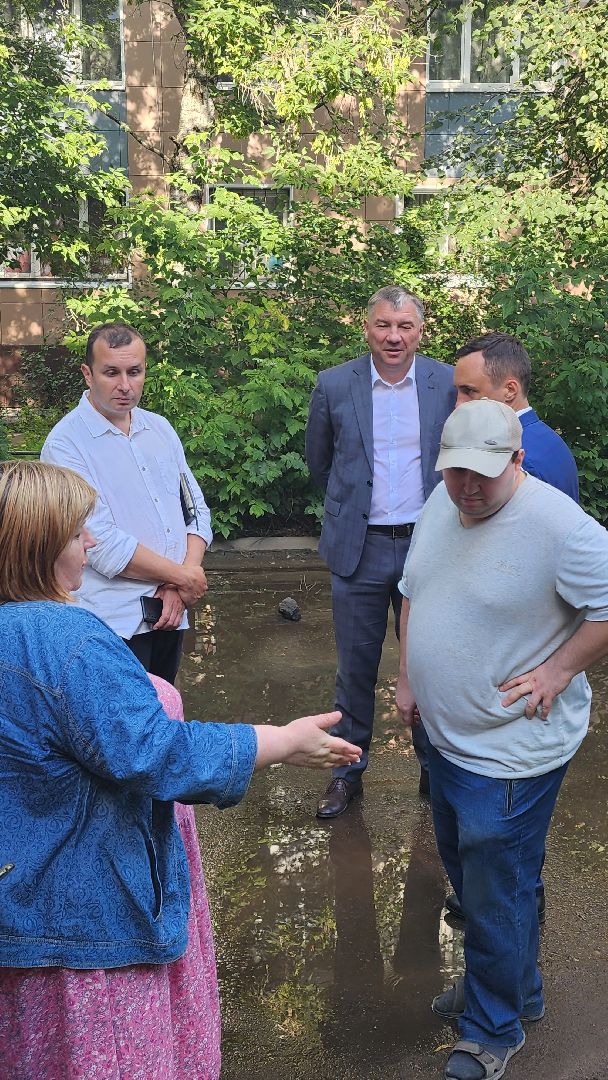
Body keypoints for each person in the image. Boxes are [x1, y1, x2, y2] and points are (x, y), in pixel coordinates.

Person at [0, 461, 361, 1080]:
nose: (90, 543)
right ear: (38, 544)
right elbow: (157, 753)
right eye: (77, 532)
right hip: (91, 931)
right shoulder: (65, 639)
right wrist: (277, 741)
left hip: (24, 909)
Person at [395, 399, 608, 1080]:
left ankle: (493, 1026)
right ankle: (514, 984)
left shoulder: (559, 526)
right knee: (478, 875)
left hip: (510, 750)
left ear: (517, 459)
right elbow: (413, 591)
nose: (468, 488)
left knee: (494, 888)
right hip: (445, 736)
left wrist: (559, 668)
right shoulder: (442, 497)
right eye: (456, 473)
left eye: (484, 474)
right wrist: (408, 678)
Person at [306, 285, 456, 818]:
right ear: (366, 327)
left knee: (430, 663)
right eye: (384, 326)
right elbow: (319, 462)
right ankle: (348, 771)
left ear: (421, 330)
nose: (394, 337)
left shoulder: (446, 383)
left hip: (430, 544)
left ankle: (435, 770)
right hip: (360, 547)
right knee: (355, 667)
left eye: (405, 326)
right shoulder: (334, 385)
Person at [41, 321, 212, 685]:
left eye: (134, 372)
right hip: (112, 624)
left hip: (170, 611)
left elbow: (195, 512)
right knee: (117, 735)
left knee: (166, 721)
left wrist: (179, 585)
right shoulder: (65, 446)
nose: (124, 385)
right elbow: (98, 543)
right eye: (111, 372)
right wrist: (183, 577)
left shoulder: (160, 429)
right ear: (87, 374)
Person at [453, 331, 579, 501]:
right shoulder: (549, 440)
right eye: (458, 391)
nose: (458, 404)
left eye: (469, 391)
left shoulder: (515, 458)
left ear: (510, 390)